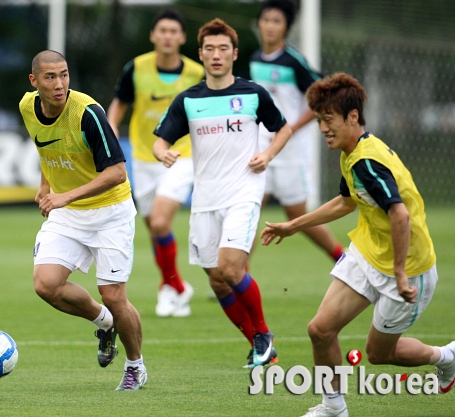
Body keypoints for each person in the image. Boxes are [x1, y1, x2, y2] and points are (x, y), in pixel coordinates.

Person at [260, 72, 455, 416]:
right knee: (320, 330)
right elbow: (346, 201)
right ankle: (333, 407)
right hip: (368, 252)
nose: (322, 128)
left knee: (380, 354)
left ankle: (447, 358)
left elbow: (400, 216)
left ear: (353, 117)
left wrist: (398, 273)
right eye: (319, 120)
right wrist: (294, 225)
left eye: (328, 119)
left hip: (409, 268)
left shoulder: (367, 160)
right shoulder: (351, 152)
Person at [153, 18, 292, 368]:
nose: (216, 55)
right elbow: (160, 141)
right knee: (216, 280)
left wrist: (268, 154)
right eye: (210, 49)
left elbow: (283, 128)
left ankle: (263, 333)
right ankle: (261, 348)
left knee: (232, 268)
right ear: (200, 54)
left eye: (223, 49)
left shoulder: (253, 93)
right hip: (204, 200)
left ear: (234, 54)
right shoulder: (189, 100)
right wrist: (163, 153)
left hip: (243, 193)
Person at [19, 50, 147, 391]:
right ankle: (105, 325)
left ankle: (136, 366)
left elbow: (118, 173)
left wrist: (63, 196)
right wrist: (46, 184)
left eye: (64, 75)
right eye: (50, 77)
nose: (59, 84)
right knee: (46, 284)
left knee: (114, 296)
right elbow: (45, 147)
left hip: (111, 213)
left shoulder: (88, 113)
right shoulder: (26, 107)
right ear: (34, 82)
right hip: (69, 214)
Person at [107, 9, 204, 318]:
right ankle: (174, 286)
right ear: (153, 35)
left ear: (183, 38)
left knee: (161, 222)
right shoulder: (136, 68)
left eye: (174, 31)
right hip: (142, 158)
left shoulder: (196, 74)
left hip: (181, 156)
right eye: (162, 30)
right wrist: (109, 133)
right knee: (154, 228)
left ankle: (169, 287)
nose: (167, 36)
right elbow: (119, 104)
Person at [250, 0, 344, 263]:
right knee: (250, 209)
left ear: (286, 27)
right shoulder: (256, 59)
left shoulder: (294, 62)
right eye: (266, 19)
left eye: (276, 21)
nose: (269, 26)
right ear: (259, 23)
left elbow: (322, 97)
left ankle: (343, 259)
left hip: (292, 152)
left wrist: (289, 128)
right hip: (262, 148)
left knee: (296, 215)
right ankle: (237, 277)